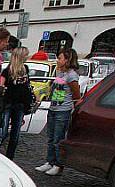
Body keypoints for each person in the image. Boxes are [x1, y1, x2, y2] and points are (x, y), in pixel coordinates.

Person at [36, 48, 81, 176]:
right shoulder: (60, 73)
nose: (58, 60)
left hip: (63, 110)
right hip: (53, 108)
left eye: (60, 58)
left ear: (67, 60)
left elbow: (76, 95)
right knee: (50, 137)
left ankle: (58, 164)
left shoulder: (72, 76)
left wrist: (73, 109)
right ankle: (49, 161)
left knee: (58, 139)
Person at [1, 47, 32, 161]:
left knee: (16, 133)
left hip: (20, 104)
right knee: (3, 131)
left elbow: (27, 86)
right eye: (26, 55)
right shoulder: (7, 70)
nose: (27, 57)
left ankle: (10, 157)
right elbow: (1, 86)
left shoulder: (26, 69)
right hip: (8, 103)